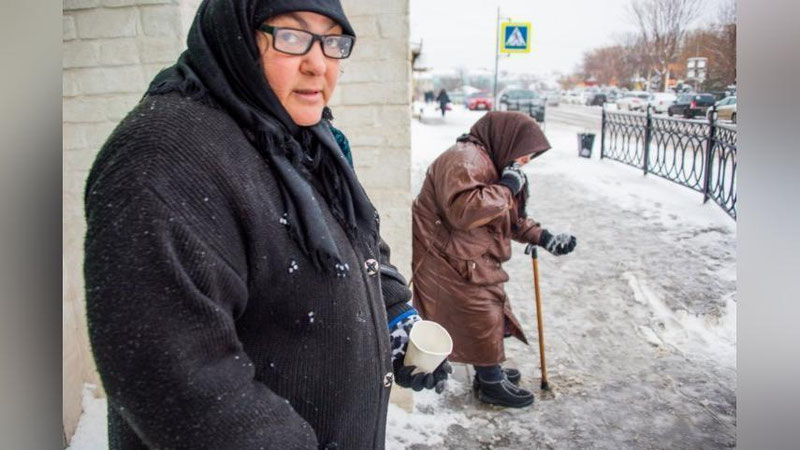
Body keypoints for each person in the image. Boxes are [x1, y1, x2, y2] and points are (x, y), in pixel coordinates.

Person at [83, 1, 448, 448]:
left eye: (333, 41)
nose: (318, 64)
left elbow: (358, 239)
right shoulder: (164, 158)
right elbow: (179, 384)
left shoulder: (306, 136)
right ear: (236, 36)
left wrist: (394, 317)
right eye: (292, 37)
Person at [411, 111, 577, 408]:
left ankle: (489, 372)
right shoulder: (464, 160)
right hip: (448, 257)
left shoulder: (492, 162)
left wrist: (543, 237)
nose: (525, 160)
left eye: (531, 156)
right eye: (525, 152)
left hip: (470, 254)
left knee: (490, 313)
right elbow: (465, 211)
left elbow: (508, 217)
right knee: (481, 313)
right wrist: (507, 187)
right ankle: (490, 381)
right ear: (508, 139)